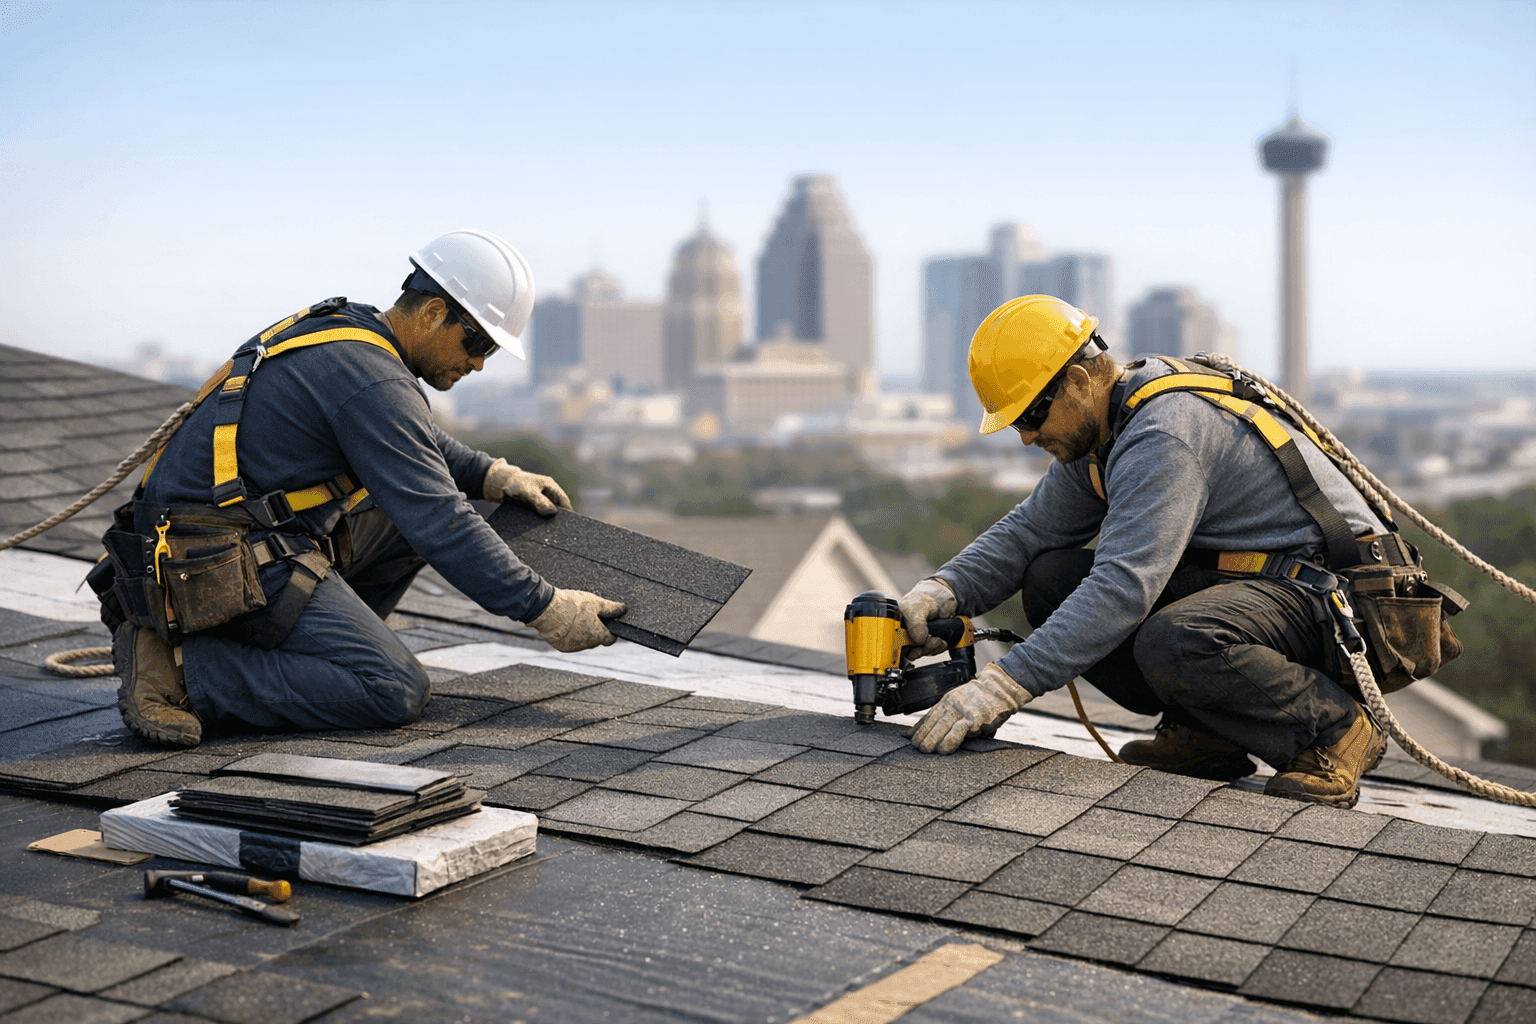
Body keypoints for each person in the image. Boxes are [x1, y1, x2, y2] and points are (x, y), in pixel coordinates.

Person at [103, 229, 625, 750]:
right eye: (478, 342)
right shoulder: (373, 377)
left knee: (401, 513)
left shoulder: (354, 335)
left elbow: (414, 442)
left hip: (224, 540)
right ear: (433, 312)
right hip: (208, 558)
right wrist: (546, 608)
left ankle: (312, 654)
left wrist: (492, 474)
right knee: (392, 689)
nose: (480, 364)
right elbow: (442, 520)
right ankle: (180, 671)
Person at [901, 294, 1400, 808]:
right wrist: (945, 589)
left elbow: (1122, 588)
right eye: (1015, 424)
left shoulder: (1162, 433)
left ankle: (1335, 730)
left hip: (1343, 602)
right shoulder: (1104, 428)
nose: (1027, 437)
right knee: (1052, 577)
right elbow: (1031, 531)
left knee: (1176, 638)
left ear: (1077, 381)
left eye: (1031, 415)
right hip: (1268, 591)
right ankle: (1211, 735)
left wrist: (1003, 685)